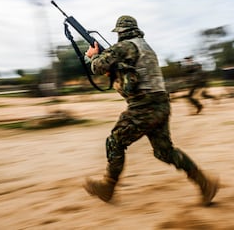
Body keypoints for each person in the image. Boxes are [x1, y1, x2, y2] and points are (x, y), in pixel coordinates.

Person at [83, 15, 219, 205]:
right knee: (165, 152)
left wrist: (92, 55)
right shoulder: (146, 47)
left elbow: (97, 66)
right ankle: (205, 184)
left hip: (143, 105)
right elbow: (129, 72)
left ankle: (108, 187)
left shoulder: (126, 46)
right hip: (161, 103)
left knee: (115, 142)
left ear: (121, 32)